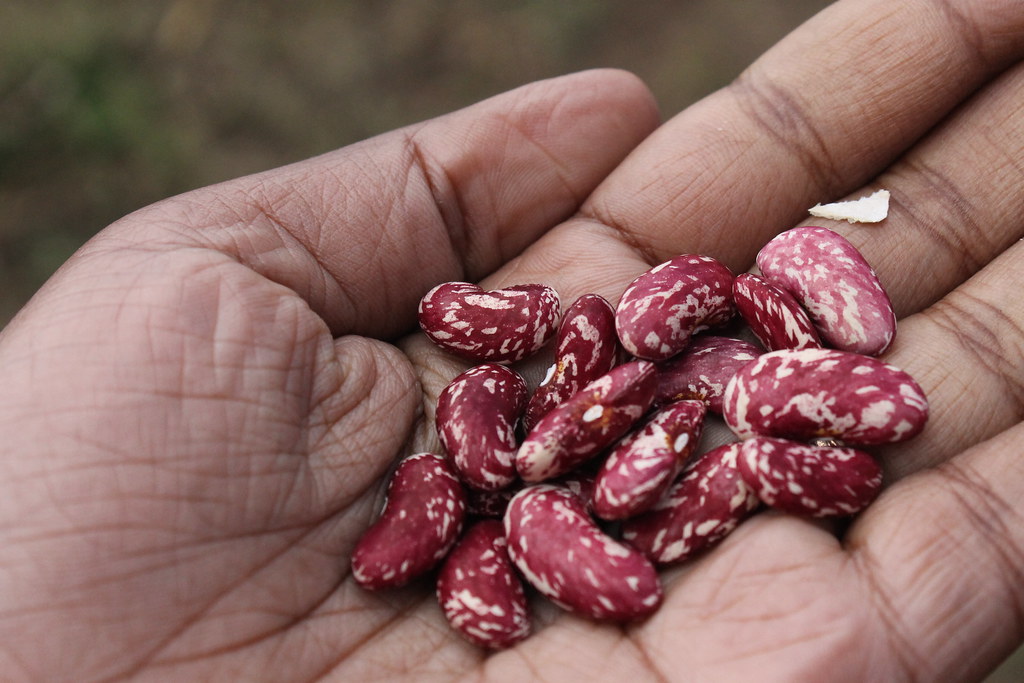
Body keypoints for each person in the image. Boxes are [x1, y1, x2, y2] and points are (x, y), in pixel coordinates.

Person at [2, 0, 1024, 680]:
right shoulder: (529, 440)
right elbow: (548, 451)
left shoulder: (667, 390)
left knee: (689, 399)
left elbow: (646, 417)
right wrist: (608, 425)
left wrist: (635, 421)